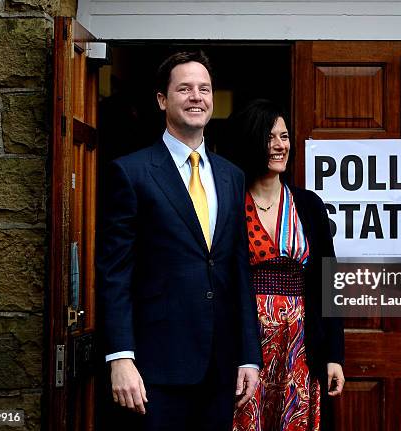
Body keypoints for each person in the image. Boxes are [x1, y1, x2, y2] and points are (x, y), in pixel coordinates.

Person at [96, 51, 262, 431]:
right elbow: (115, 272)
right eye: (184, 88)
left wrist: (248, 356)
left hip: (221, 370)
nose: (196, 97)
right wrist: (121, 357)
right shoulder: (131, 172)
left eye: (204, 89)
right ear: (162, 100)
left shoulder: (231, 176)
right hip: (155, 369)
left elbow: (238, 268)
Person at [222, 99, 345, 431]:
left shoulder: (308, 204)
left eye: (284, 136)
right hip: (246, 340)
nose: (280, 146)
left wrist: (334, 354)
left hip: (301, 342)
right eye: (270, 137)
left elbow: (329, 281)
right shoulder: (230, 203)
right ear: (252, 141)